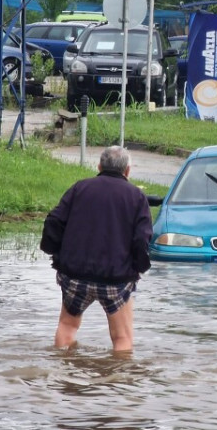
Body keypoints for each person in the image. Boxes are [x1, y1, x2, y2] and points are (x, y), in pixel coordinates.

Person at [39, 146, 154, 352]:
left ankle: (61, 376)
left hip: (74, 275)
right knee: (122, 338)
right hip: (116, 279)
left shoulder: (79, 188)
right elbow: (141, 241)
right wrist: (138, 269)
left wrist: (55, 253)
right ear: (127, 171)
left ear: (99, 166)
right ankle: (117, 382)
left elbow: (53, 222)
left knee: (67, 326)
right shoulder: (137, 197)